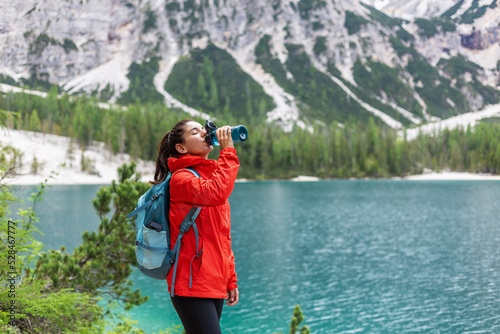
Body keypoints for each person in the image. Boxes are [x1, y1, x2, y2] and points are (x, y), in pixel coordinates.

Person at [151, 119, 240, 334]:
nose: (204, 133)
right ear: (181, 148)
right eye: (195, 132)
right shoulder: (181, 179)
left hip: (212, 280)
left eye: (204, 129)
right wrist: (228, 152)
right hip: (190, 283)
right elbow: (216, 193)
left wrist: (230, 278)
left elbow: (221, 236)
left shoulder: (210, 176)